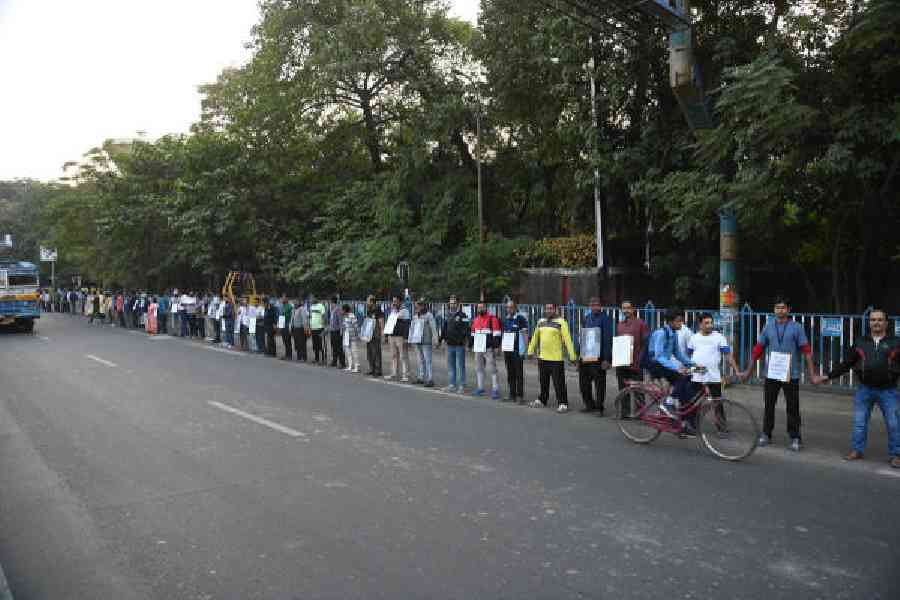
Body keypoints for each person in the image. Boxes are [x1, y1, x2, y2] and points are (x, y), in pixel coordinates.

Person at [812, 309, 899, 467]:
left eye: (880, 320)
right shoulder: (861, 342)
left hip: (888, 390)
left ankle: (896, 455)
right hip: (865, 389)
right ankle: (857, 450)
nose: (876, 323)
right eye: (873, 320)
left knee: (893, 423)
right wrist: (827, 376)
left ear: (886, 322)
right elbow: (847, 363)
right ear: (869, 322)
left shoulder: (895, 343)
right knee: (860, 422)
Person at [738, 297, 818, 451]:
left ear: (789, 310)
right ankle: (766, 434)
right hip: (772, 373)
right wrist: (749, 370)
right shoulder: (768, 327)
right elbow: (758, 349)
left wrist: (812, 374)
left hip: (791, 375)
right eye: (777, 307)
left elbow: (806, 350)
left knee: (793, 407)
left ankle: (795, 437)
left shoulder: (797, 327)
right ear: (774, 310)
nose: (780, 310)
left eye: (783, 307)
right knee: (769, 405)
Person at [645, 309, 696, 432]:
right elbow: (658, 356)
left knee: (685, 388)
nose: (681, 323)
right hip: (654, 364)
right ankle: (667, 404)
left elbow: (678, 354)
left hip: (664, 364)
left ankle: (684, 422)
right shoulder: (661, 333)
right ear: (669, 322)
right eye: (678, 321)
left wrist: (693, 364)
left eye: (681, 321)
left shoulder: (674, 334)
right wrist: (677, 368)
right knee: (681, 377)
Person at [686, 313, 740, 428]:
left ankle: (721, 426)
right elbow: (688, 356)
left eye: (711, 323)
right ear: (700, 325)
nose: (710, 325)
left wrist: (736, 370)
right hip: (697, 373)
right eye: (706, 323)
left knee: (717, 402)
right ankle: (692, 425)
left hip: (713, 375)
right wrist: (687, 370)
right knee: (694, 401)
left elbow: (728, 356)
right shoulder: (693, 338)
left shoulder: (719, 337)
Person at [527, 303, 577, 413]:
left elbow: (567, 339)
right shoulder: (541, 322)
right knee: (543, 381)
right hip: (543, 357)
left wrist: (572, 356)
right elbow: (535, 337)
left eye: (551, 308)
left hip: (556, 359)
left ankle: (563, 403)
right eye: (547, 309)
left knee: (559, 382)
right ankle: (542, 400)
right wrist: (530, 351)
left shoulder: (561, 322)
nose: (549, 310)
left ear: (555, 309)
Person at [578, 297, 614, 414]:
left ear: (600, 306)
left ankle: (599, 407)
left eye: (596, 305)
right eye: (592, 305)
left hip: (599, 357)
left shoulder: (605, 319)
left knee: (599, 384)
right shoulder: (586, 318)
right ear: (590, 306)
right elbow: (582, 337)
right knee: (584, 383)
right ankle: (589, 404)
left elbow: (608, 340)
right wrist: (579, 354)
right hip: (586, 355)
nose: (594, 307)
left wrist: (607, 359)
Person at [615, 300, 651, 391]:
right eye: (624, 308)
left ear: (633, 309)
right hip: (622, 365)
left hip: (636, 365)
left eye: (628, 308)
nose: (626, 310)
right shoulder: (619, 325)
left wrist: (640, 359)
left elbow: (646, 344)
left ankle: (640, 406)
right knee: (623, 392)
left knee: (638, 393)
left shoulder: (641, 323)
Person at [471, 301, 502, 399]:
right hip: (478, 348)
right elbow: (472, 334)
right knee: (479, 368)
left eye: (482, 307)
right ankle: (480, 388)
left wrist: (496, 347)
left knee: (492, 369)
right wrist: (471, 345)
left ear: (486, 308)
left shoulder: (492, 319)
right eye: (479, 308)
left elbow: (497, 334)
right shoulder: (475, 320)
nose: (480, 309)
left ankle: (495, 389)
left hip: (489, 348)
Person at [440, 295, 470, 393]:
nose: (452, 305)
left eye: (454, 303)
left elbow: (466, 330)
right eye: (451, 303)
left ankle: (462, 386)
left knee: (461, 366)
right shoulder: (448, 314)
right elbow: (444, 328)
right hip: (449, 345)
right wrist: (441, 340)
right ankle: (452, 385)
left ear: (458, 304)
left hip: (459, 345)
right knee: (451, 366)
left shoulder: (463, 315)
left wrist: (464, 341)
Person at [501, 300, 529, 403]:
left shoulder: (520, 318)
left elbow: (525, 334)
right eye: (507, 307)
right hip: (507, 350)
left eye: (511, 307)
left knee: (518, 374)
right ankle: (511, 394)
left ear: (515, 308)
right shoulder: (505, 319)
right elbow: (504, 334)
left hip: (517, 351)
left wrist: (526, 350)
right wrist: (502, 347)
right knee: (510, 373)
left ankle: (520, 396)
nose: (509, 309)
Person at [409, 299, 439, 387]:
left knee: (428, 360)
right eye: (416, 306)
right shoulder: (415, 316)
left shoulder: (429, 315)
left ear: (423, 306)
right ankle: (421, 377)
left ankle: (430, 379)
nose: (417, 307)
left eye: (419, 306)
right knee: (420, 359)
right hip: (417, 340)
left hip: (426, 341)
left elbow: (433, 328)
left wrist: (435, 339)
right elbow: (412, 328)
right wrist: (410, 339)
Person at [384, 295, 411, 382]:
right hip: (392, 336)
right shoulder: (393, 311)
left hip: (400, 337)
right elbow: (389, 323)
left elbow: (407, 325)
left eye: (395, 301)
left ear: (400, 302)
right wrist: (387, 335)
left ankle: (405, 374)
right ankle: (394, 373)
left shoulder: (405, 311)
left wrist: (406, 338)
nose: (394, 303)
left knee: (403, 356)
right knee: (393, 355)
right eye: (393, 301)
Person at [364, 296, 384, 376]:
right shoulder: (369, 310)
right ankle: (371, 368)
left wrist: (382, 333)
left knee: (376, 352)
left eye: (368, 301)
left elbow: (381, 322)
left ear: (372, 302)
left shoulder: (378, 310)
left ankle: (378, 370)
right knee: (369, 352)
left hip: (375, 333)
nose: (367, 303)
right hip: (368, 334)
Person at [341, 304, 361, 373]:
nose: (341, 311)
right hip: (346, 336)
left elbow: (356, 326)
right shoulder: (344, 317)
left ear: (345, 310)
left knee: (354, 352)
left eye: (342, 310)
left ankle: (357, 367)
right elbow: (344, 326)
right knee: (348, 351)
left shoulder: (352, 316)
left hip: (353, 337)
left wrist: (358, 335)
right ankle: (350, 366)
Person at [309, 294, 328, 365]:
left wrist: (324, 326)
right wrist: (310, 325)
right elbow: (310, 317)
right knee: (315, 344)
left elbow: (324, 316)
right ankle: (316, 359)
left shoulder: (321, 306)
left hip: (320, 328)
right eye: (310, 299)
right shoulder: (311, 307)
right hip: (313, 328)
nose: (311, 300)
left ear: (316, 298)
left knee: (321, 344)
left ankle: (323, 360)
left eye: (312, 298)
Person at [328, 297, 346, 369]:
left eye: (331, 303)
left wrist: (341, 332)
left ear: (333, 303)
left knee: (339, 348)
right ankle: (334, 361)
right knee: (334, 347)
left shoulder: (338, 310)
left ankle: (342, 363)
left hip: (337, 331)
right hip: (332, 331)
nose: (330, 304)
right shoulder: (332, 310)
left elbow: (341, 321)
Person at [278, 294, 294, 360]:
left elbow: (289, 317)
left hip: (287, 325)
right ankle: (286, 354)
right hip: (282, 326)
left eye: (284, 298)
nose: (282, 299)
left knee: (288, 341)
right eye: (282, 298)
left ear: (287, 299)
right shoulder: (282, 306)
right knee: (284, 341)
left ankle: (289, 355)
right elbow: (281, 316)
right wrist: (280, 327)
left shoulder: (290, 306)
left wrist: (290, 326)